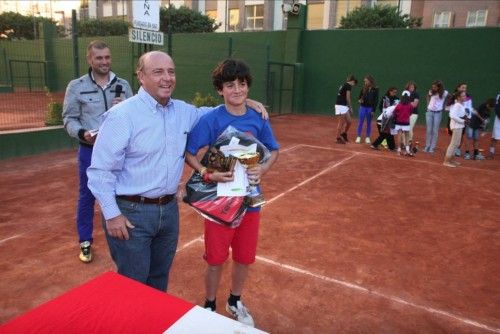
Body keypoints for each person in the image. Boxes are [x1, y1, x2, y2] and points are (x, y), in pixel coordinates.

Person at [86, 51, 267, 292]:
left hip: (169, 212)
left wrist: (244, 103)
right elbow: (100, 171)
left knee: (159, 281)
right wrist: (111, 214)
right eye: (158, 72)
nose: (167, 78)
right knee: (133, 284)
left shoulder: (182, 111)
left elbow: (213, 114)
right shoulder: (122, 116)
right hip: (131, 214)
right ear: (141, 76)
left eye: (171, 72)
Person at [185, 59, 279, 327]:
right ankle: (210, 304)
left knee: (244, 257)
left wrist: (263, 168)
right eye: (230, 85)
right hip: (219, 202)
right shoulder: (211, 119)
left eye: (242, 84)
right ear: (220, 89)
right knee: (215, 260)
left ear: (248, 87)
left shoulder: (258, 117)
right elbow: (190, 152)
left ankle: (234, 300)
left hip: (252, 200)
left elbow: (273, 150)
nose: (237, 89)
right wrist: (206, 173)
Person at [62, 40, 133, 263]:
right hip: (90, 152)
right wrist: (82, 133)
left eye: (107, 57)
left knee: (124, 192)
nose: (104, 62)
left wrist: (123, 108)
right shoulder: (77, 86)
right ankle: (85, 241)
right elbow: (68, 119)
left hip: (120, 153)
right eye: (99, 58)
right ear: (89, 60)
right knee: (88, 195)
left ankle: (127, 237)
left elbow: (135, 115)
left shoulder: (123, 84)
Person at [443, 91, 467, 167]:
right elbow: (452, 115)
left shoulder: (461, 105)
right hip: (456, 126)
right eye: (463, 96)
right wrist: (462, 121)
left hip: (459, 126)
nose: (464, 97)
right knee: (453, 144)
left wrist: (464, 119)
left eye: (464, 95)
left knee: (457, 144)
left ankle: (451, 160)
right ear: (459, 97)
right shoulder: (457, 105)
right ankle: (446, 161)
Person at [424, 80, 448, 153]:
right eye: (433, 87)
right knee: (429, 130)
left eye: (435, 87)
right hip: (429, 112)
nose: (433, 88)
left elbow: (450, 98)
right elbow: (427, 97)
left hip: (438, 113)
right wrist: (428, 105)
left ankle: (432, 147)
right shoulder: (431, 91)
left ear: (439, 87)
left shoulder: (445, 93)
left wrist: (444, 105)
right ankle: (427, 146)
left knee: (435, 131)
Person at [371, 87, 398, 151]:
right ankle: (374, 145)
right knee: (385, 134)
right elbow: (382, 108)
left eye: (396, 92)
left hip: (384, 120)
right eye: (393, 92)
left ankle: (391, 147)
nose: (395, 93)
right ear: (390, 91)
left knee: (388, 134)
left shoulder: (396, 102)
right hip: (382, 121)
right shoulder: (390, 105)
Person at [334, 75, 357, 144]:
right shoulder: (348, 86)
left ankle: (344, 134)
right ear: (352, 82)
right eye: (354, 84)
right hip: (340, 105)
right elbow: (348, 98)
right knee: (341, 122)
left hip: (343, 105)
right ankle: (338, 138)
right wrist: (350, 107)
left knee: (349, 121)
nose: (353, 86)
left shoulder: (345, 85)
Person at [355, 75, 378, 144]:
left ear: (370, 81)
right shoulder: (363, 88)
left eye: (366, 81)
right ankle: (358, 137)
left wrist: (373, 110)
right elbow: (359, 98)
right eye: (364, 81)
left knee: (369, 123)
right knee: (360, 122)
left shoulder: (376, 89)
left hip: (370, 108)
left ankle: (367, 137)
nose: (365, 82)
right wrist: (360, 101)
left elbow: (376, 100)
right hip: (363, 107)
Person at [393, 90, 415, 156]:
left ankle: (399, 150)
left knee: (399, 135)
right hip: (406, 122)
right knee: (407, 135)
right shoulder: (410, 106)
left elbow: (394, 112)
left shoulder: (399, 105)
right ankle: (407, 150)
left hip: (398, 122)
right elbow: (410, 113)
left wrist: (398, 116)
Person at [405, 81, 420, 147]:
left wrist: (407, 103)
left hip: (413, 113)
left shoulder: (416, 94)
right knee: (404, 128)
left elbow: (415, 105)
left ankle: (409, 142)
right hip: (405, 113)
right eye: (410, 87)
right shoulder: (405, 94)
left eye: (413, 87)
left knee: (409, 128)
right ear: (407, 88)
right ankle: (404, 143)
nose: (411, 88)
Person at [489, 93, 500, 159]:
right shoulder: (499, 96)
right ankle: (491, 153)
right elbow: (497, 108)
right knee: (495, 136)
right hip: (498, 119)